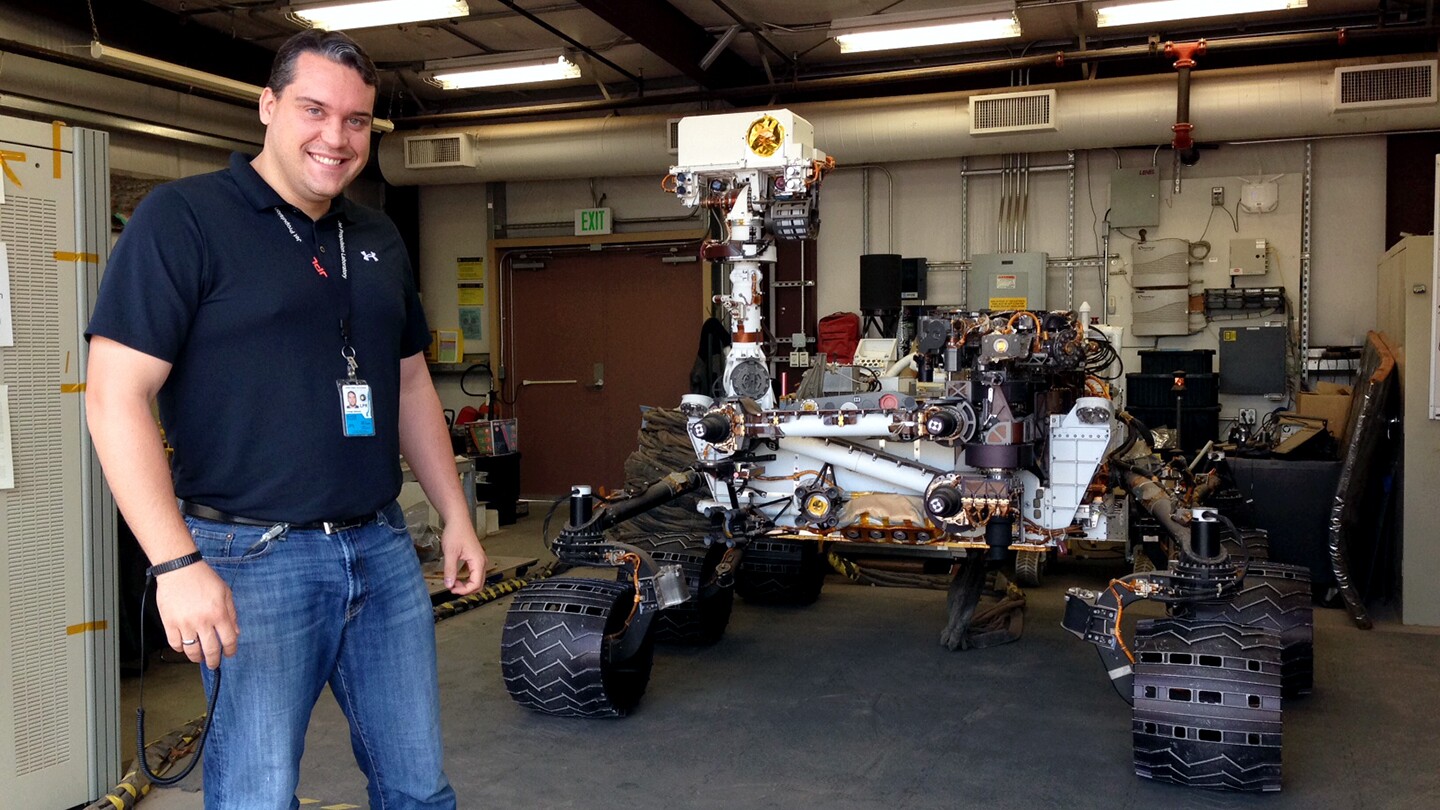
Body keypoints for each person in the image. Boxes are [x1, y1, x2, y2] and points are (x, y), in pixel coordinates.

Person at [85, 29, 485, 810]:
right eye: (314, 109)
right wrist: (174, 565)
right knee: (257, 796)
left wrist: (455, 515)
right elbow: (113, 395)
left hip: (380, 547)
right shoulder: (183, 219)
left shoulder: (375, 237)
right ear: (268, 107)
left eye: (358, 121)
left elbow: (406, 385)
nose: (336, 138)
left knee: (418, 788)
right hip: (248, 558)